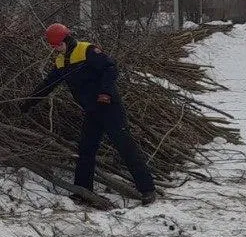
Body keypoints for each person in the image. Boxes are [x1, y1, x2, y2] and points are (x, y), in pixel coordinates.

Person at [21, 23, 157, 205]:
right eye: (53, 47)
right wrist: (28, 104)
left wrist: (105, 92)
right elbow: (48, 85)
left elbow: (110, 68)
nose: (57, 50)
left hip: (109, 107)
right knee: (85, 150)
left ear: (66, 40)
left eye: (58, 46)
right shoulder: (61, 62)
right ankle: (83, 192)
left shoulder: (87, 50)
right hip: (91, 111)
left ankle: (147, 189)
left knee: (125, 146)